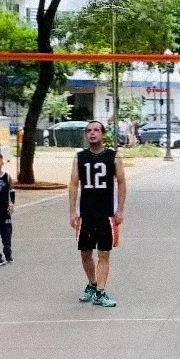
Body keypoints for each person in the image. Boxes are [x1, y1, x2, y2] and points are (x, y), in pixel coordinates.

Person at [69, 120, 126, 307]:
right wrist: (72, 211)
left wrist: (120, 209)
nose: (92, 133)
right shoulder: (80, 157)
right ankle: (93, 284)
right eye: (89, 131)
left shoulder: (113, 156)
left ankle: (101, 292)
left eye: (96, 130)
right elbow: (73, 185)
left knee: (104, 253)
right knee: (85, 253)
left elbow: (121, 182)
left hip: (106, 213)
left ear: (102, 134)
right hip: (85, 212)